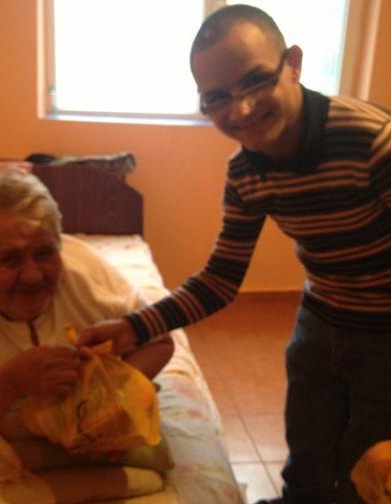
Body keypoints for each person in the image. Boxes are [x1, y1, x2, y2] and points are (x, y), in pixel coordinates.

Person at [78, 4, 391, 504]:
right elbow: (221, 280)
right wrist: (134, 328)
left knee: (370, 472)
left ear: (293, 64)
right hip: (320, 322)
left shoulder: (373, 140)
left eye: (255, 81)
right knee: (308, 455)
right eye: (217, 97)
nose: (240, 110)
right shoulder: (247, 173)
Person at [0, 169, 173, 503]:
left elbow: (161, 340)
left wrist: (103, 403)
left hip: (66, 427)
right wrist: (9, 383)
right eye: (10, 260)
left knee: (155, 458)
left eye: (45, 253)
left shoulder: (84, 273)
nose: (34, 276)